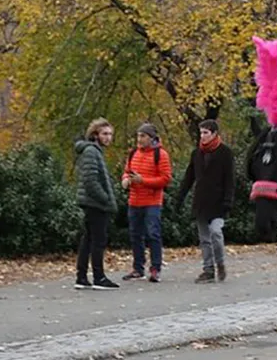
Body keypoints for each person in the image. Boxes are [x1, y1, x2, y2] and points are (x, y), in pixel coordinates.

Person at [175, 120, 236, 284]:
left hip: (218, 202)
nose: (202, 136)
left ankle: (220, 263)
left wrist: (228, 201)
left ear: (214, 133)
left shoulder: (225, 153)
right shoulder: (197, 154)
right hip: (201, 202)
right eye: (201, 133)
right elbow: (189, 177)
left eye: (206, 133)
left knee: (216, 233)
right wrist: (179, 198)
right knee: (204, 239)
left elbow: (230, 179)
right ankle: (208, 269)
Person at [121, 123, 172, 283]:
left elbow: (166, 179)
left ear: (151, 138)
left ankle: (155, 268)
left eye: (143, 136)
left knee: (153, 234)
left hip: (152, 201)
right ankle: (138, 268)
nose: (139, 139)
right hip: (134, 200)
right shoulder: (133, 153)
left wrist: (143, 181)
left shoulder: (161, 154)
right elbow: (126, 172)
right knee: (135, 235)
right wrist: (125, 180)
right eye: (138, 136)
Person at [74, 118, 120, 290]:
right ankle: (98, 277)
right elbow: (90, 180)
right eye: (105, 134)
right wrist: (105, 199)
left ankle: (82, 276)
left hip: (92, 202)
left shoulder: (94, 151)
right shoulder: (91, 152)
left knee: (88, 240)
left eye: (110, 134)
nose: (108, 138)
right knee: (97, 240)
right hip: (95, 203)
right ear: (95, 135)